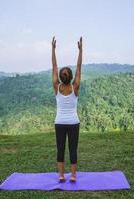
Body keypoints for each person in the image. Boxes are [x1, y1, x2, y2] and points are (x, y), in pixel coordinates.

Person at [51, 36, 82, 182]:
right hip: (73, 123)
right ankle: (73, 176)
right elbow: (79, 69)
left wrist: (53, 49)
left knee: (61, 150)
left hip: (60, 123)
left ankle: (61, 175)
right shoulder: (75, 87)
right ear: (70, 78)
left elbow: (54, 67)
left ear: (60, 78)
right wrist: (80, 51)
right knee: (73, 150)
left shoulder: (56, 87)